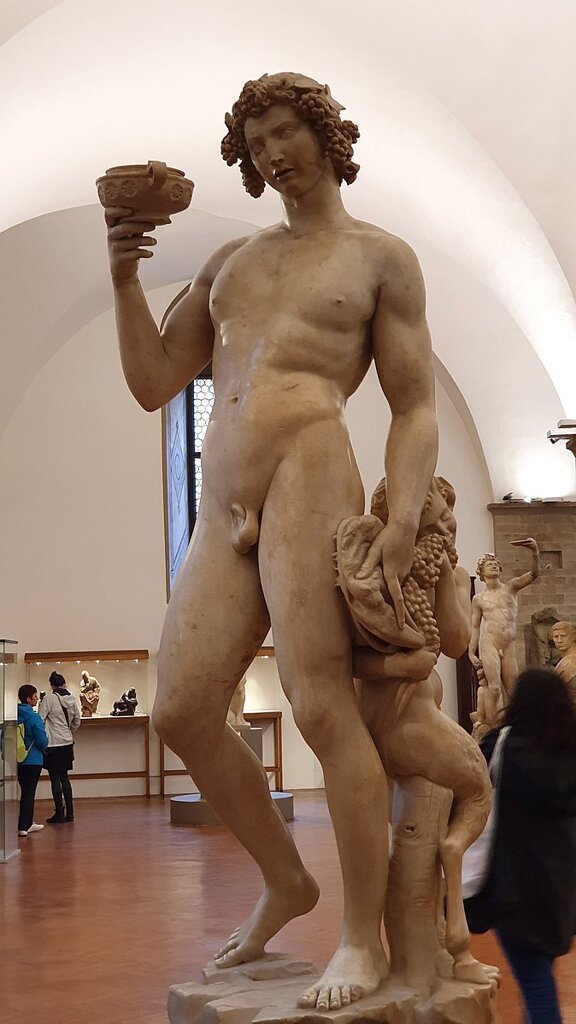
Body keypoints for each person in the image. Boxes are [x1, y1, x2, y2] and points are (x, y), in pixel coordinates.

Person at [105, 71, 438, 1010]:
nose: (273, 153)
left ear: (326, 134)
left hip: (312, 471)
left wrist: (403, 518)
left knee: (321, 707)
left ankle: (360, 940)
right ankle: (288, 881)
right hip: (226, 496)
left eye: (286, 131)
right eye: (255, 145)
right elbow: (153, 381)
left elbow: (413, 407)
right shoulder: (232, 264)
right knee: (179, 713)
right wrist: (126, 277)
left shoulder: (381, 258)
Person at [467, 668, 576, 1024]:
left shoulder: (500, 747)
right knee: (540, 973)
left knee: (536, 982)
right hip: (561, 885)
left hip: (513, 885)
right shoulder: (570, 750)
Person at [468, 539, 540, 728]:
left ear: (500, 569)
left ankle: (516, 728)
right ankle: (492, 729)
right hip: (489, 642)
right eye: (487, 565)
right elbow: (474, 627)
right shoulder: (478, 599)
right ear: (481, 573)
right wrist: (470, 651)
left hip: (508, 645)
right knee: (493, 689)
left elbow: (534, 574)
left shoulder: (511, 587)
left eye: (495, 564)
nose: (492, 566)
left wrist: (534, 551)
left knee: (513, 690)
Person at [39, 671, 81, 824]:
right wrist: (69, 731)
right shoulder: (71, 699)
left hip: (53, 743)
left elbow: (41, 719)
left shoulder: (49, 698)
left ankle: (59, 813)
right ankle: (70, 812)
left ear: (52, 685)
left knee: (55, 778)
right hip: (67, 742)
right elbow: (77, 720)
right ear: (63, 683)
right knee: (65, 778)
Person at [16, 684, 49, 837]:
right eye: (35, 697)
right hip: (33, 758)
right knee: (30, 792)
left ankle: (24, 822)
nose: (37, 699)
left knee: (25, 792)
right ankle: (25, 825)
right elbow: (42, 739)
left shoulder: (14, 714)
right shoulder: (33, 717)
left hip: (19, 758)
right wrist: (44, 747)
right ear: (29, 699)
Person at [550, 621, 576, 693]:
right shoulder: (565, 660)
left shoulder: (572, 661)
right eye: (556, 637)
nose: (559, 640)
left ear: (573, 637)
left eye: (563, 636)